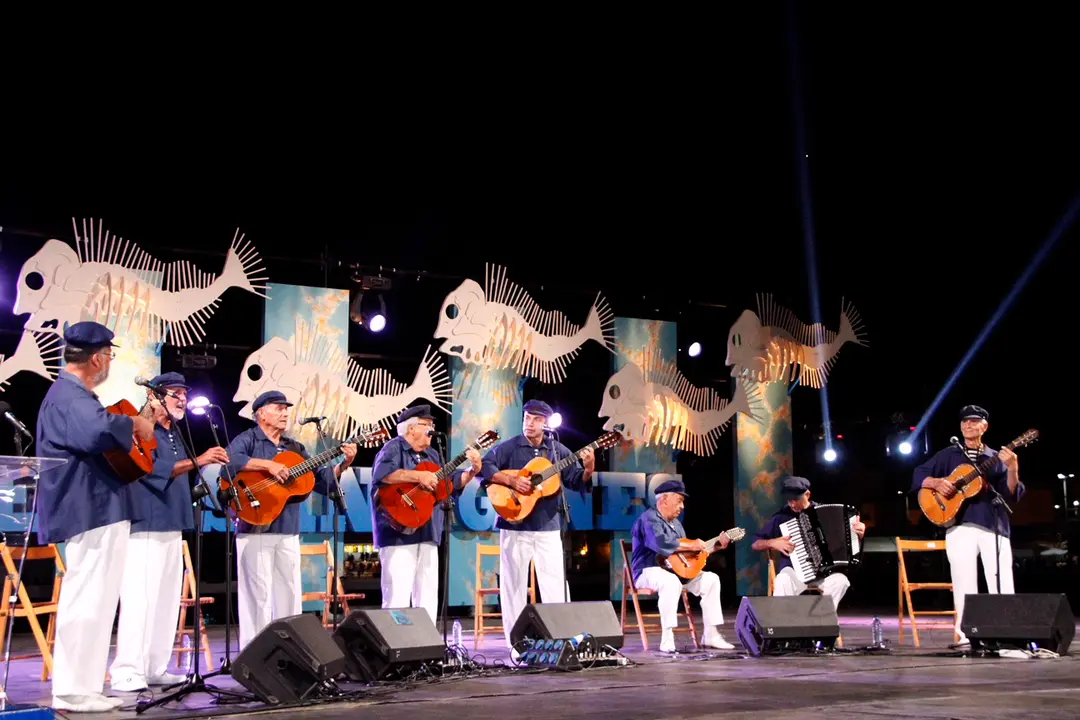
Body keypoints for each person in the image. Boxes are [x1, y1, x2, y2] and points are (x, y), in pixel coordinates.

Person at [35, 321, 155, 713]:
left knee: (99, 602)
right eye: (109, 355)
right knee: (87, 600)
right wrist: (133, 423)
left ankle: (84, 685)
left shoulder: (74, 394)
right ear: (98, 357)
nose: (109, 363)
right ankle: (72, 689)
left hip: (100, 507)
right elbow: (95, 434)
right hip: (89, 508)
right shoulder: (69, 395)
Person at [109, 372, 230, 692]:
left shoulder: (176, 431)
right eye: (175, 394)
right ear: (153, 397)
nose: (183, 400)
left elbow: (183, 479)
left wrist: (205, 472)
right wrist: (200, 459)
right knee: (139, 599)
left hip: (174, 523)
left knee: (165, 601)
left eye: (184, 394)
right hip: (145, 523)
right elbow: (151, 470)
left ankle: (154, 666)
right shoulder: (140, 427)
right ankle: (126, 669)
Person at [225, 390, 357, 649]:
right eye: (278, 408)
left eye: (287, 409)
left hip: (287, 528)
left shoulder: (294, 448)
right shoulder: (248, 439)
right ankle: (254, 651)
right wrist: (268, 465)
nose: (285, 413)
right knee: (257, 595)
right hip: (255, 526)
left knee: (289, 591)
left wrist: (344, 464)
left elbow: (321, 481)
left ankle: (289, 650)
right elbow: (230, 460)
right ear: (261, 413)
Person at [480, 399, 594, 650]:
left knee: (555, 583)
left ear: (545, 423)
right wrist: (511, 482)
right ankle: (517, 644)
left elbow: (575, 481)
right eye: (526, 418)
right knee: (513, 586)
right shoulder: (509, 447)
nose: (529, 423)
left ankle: (562, 640)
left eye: (535, 419)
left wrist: (588, 469)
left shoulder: (557, 451)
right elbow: (485, 467)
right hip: (514, 526)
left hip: (548, 526)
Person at [912, 404, 1023, 647]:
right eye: (964, 422)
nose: (968, 425)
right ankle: (966, 635)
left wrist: (1013, 468)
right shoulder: (949, 454)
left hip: (994, 525)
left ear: (985, 426)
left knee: (1002, 579)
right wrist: (937, 482)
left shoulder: (996, 457)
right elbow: (918, 475)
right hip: (959, 525)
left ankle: (1007, 632)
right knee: (963, 581)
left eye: (974, 421)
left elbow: (1010, 494)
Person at [371, 404, 483, 625]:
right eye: (427, 424)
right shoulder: (393, 448)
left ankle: (427, 645)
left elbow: (448, 485)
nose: (432, 428)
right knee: (398, 594)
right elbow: (381, 475)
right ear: (411, 429)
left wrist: (472, 471)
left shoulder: (433, 454)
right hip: (397, 531)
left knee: (428, 593)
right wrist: (417, 476)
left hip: (428, 528)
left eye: (432, 424)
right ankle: (397, 646)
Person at [630, 479, 735, 652]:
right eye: (679, 501)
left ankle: (711, 634)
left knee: (711, 580)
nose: (682, 506)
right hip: (646, 571)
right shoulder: (648, 519)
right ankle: (667, 636)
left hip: (675, 572)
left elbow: (685, 557)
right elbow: (661, 544)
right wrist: (693, 544)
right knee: (671, 582)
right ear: (664, 500)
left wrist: (714, 547)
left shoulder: (677, 524)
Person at [752, 475, 866, 608]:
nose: (792, 504)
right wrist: (772, 543)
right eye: (789, 500)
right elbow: (755, 543)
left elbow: (846, 542)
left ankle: (821, 621)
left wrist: (858, 532)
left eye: (796, 499)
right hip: (794, 572)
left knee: (841, 582)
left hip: (824, 572)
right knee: (782, 580)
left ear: (807, 495)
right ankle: (783, 624)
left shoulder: (826, 514)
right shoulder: (781, 517)